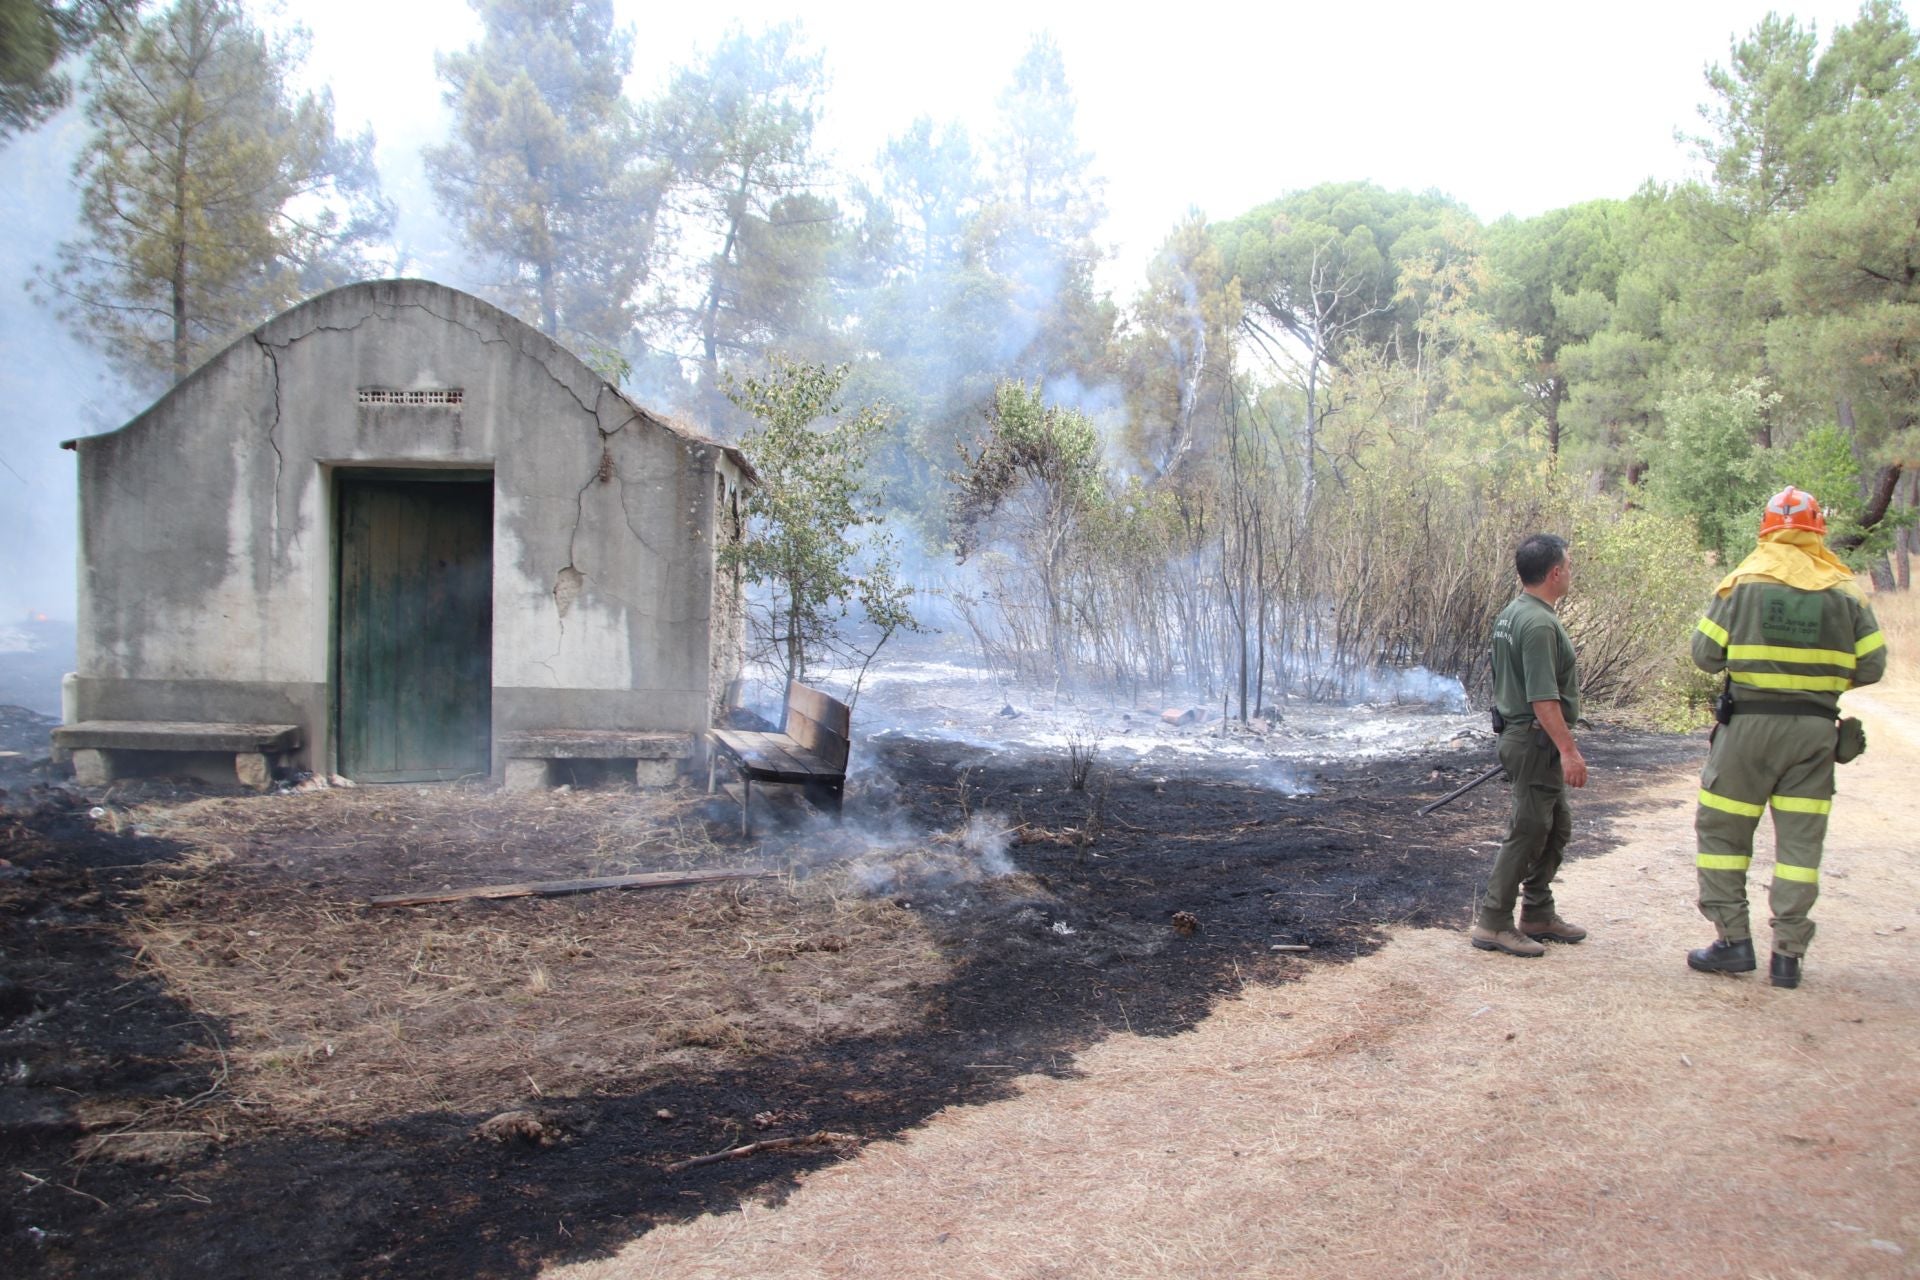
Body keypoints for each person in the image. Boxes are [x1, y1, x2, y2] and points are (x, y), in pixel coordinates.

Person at [1686, 486, 1887, 989]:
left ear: (1767, 528)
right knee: (1800, 846)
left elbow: (1705, 654)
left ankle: (1733, 942)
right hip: (1815, 733)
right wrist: (1820, 683)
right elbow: (1875, 664)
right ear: (1816, 530)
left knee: (1723, 836)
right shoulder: (1845, 589)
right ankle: (1788, 957)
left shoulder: (1744, 581)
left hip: (1748, 731)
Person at [1472, 533, 1589, 958]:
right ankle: (1493, 921)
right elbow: (1543, 699)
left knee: (1555, 827)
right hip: (1535, 740)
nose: (1571, 573)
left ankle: (1537, 912)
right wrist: (1569, 751)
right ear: (1555, 572)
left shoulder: (1514, 613)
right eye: (1570, 566)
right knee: (1528, 830)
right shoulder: (1539, 622)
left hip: (1527, 738)